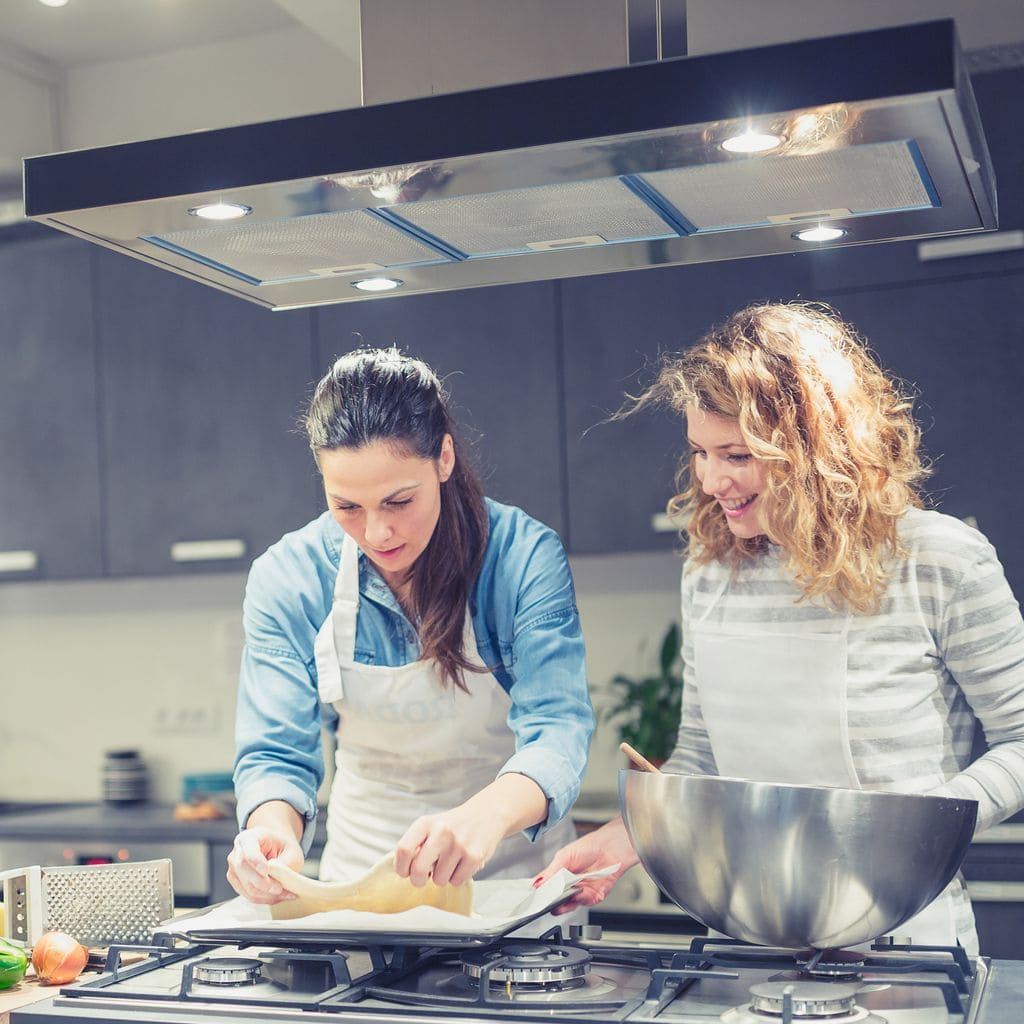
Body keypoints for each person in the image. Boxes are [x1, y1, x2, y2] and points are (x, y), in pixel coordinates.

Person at [535, 302, 1024, 955]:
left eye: (737, 454)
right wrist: (630, 837)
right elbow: (704, 754)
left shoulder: (939, 561)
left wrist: (928, 824)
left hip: (908, 938)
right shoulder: (710, 573)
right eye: (700, 453)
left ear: (816, 446)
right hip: (748, 938)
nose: (711, 481)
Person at [228, 347, 593, 905]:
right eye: (346, 506)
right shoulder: (290, 578)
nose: (377, 533)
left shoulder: (522, 558)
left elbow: (558, 730)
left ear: (444, 458)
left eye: (399, 500)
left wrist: (483, 817)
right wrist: (271, 834)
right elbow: (276, 754)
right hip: (361, 897)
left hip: (511, 891)